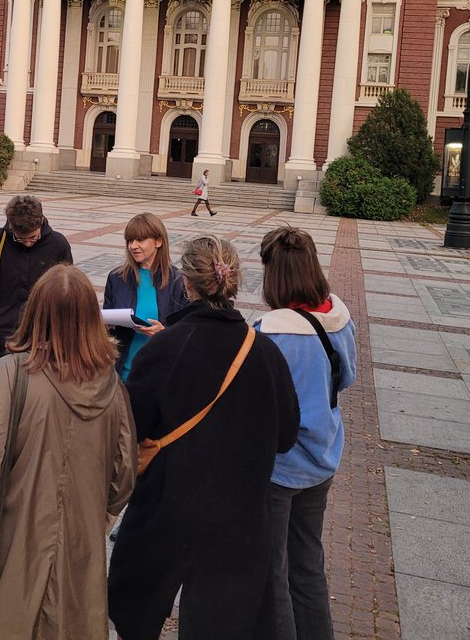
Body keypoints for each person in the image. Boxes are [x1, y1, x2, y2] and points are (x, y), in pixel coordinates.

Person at [108, 236, 300, 640]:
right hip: (239, 516)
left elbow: (128, 431)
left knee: (136, 614)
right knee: (221, 624)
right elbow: (284, 438)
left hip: (167, 508)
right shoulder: (264, 350)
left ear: (188, 285)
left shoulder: (165, 348)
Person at [0, 264, 136, 638]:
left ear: (34, 310)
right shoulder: (112, 387)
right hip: (81, 537)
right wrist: (98, 515)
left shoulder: (10, 372)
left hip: (10, 530)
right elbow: (124, 472)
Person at [255, 227, 357, 640]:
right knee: (307, 562)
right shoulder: (338, 314)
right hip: (324, 455)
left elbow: (260, 404)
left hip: (280, 468)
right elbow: (345, 378)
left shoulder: (272, 331)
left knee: (272, 570)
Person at [0, 195, 72, 367]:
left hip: (44, 337)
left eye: (32, 238)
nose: (27, 244)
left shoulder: (58, 244)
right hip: (3, 336)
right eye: (20, 239)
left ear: (40, 222)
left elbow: (68, 288)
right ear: (11, 226)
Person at [103, 213, 187, 380]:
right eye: (130, 240)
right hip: (122, 373)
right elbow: (105, 325)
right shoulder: (117, 277)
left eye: (140, 240)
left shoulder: (178, 280)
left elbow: (186, 332)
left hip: (160, 375)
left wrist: (164, 333)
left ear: (158, 241)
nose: (133, 246)